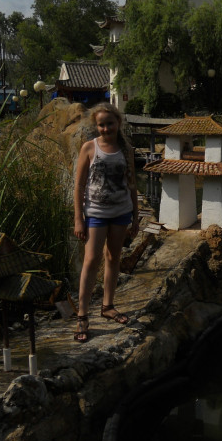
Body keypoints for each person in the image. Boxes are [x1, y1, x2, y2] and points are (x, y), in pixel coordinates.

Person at [73, 103, 139, 342]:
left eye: (110, 123)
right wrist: (78, 219)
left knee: (113, 257)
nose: (105, 128)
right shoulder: (89, 148)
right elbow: (79, 186)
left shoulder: (126, 149)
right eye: (101, 124)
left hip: (121, 211)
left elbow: (132, 184)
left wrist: (136, 216)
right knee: (91, 260)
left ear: (118, 123)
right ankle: (82, 315)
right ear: (96, 126)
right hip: (96, 213)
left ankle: (108, 306)